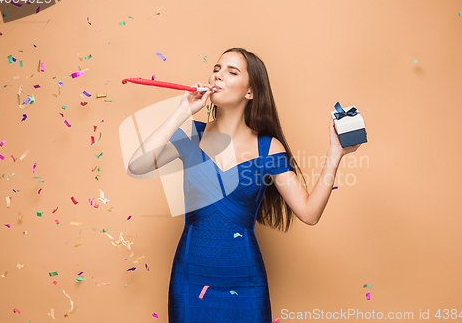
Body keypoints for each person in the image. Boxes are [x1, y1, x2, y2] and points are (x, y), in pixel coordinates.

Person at [128, 48, 361, 322]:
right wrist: (182, 112)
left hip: (246, 283)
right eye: (217, 69)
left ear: (250, 92)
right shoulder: (191, 134)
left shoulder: (268, 149)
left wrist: (335, 155)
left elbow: (309, 213)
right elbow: (137, 165)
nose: (218, 75)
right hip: (190, 279)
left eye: (231, 71)